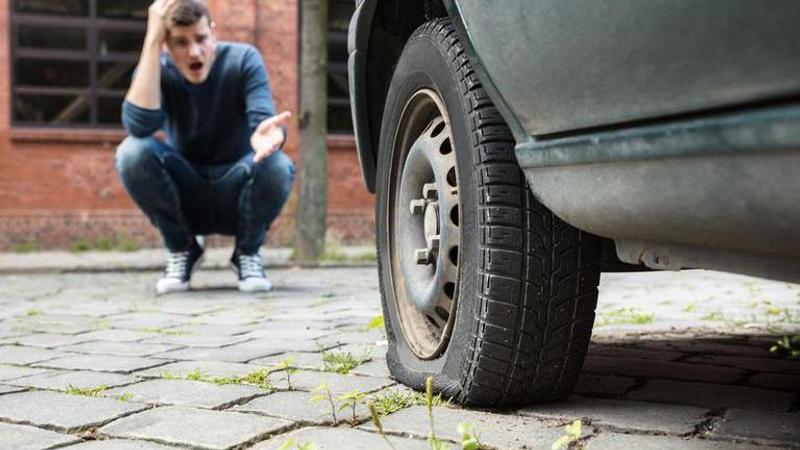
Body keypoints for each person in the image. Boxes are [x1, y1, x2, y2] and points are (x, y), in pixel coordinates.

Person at [116, 0, 294, 294]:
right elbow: (139, 127)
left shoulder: (243, 59)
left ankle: (248, 253)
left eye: (200, 39)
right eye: (180, 43)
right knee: (131, 152)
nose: (194, 52)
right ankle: (182, 249)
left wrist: (272, 135)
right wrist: (151, 42)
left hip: (236, 189)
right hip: (187, 190)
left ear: (213, 32)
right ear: (166, 45)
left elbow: (263, 121)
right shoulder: (158, 68)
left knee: (278, 165)